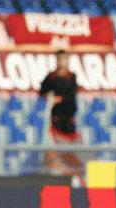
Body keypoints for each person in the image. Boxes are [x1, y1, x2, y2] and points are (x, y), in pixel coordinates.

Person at [40, 50, 83, 183]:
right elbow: (42, 91)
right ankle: (57, 176)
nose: (61, 62)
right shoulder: (51, 76)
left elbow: (72, 94)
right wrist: (49, 96)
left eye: (64, 59)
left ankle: (76, 176)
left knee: (71, 151)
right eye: (59, 59)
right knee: (55, 150)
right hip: (56, 120)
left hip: (69, 120)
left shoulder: (71, 76)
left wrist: (60, 99)